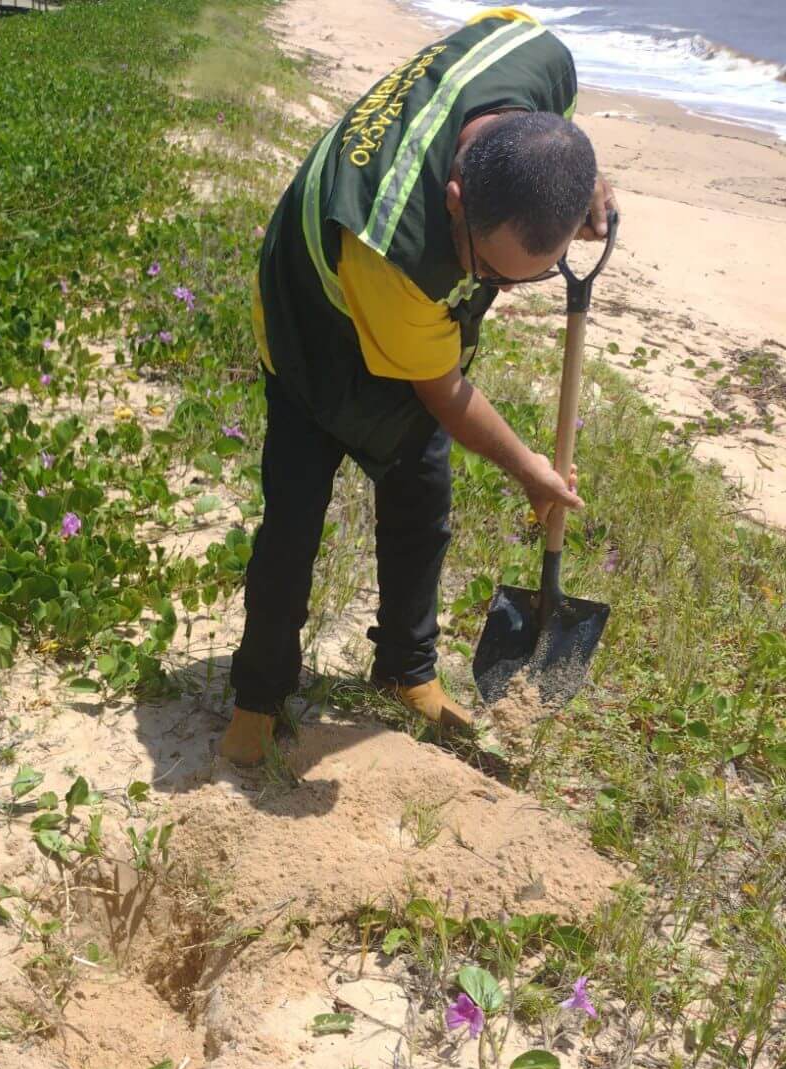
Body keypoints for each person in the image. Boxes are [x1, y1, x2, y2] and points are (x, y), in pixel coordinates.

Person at [219, 6, 616, 765]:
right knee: (293, 524)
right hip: (316, 323)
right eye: (493, 273)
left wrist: (586, 187)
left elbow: (549, 138)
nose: (497, 287)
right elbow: (441, 391)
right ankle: (259, 694)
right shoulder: (390, 244)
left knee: (420, 502)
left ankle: (405, 671)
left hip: (412, 318)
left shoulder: (535, 54)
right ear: (456, 199)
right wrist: (529, 467)